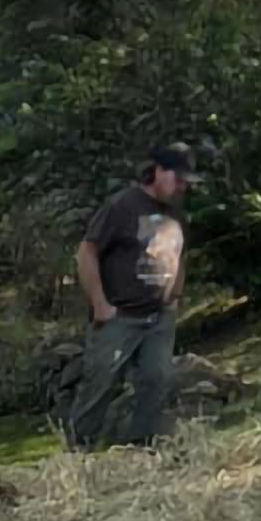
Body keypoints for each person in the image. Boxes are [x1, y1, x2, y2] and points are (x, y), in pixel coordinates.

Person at [68, 142, 199, 452]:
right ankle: (76, 455)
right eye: (177, 178)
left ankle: (137, 450)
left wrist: (175, 295)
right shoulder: (122, 205)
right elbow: (87, 252)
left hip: (159, 318)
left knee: (157, 380)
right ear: (157, 171)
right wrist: (99, 303)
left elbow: (180, 253)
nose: (182, 186)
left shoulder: (176, 213)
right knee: (99, 384)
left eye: (186, 181)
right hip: (119, 315)